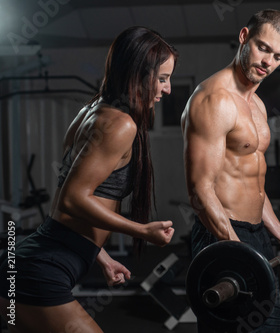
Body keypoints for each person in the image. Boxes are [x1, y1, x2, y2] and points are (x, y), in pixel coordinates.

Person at [0, 26, 177, 333]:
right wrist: (141, 230)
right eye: (162, 78)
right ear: (137, 74)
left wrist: (101, 256)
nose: (168, 88)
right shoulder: (121, 125)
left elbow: (66, 210)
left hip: (28, 264)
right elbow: (72, 198)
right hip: (40, 272)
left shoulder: (90, 111)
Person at [181, 9, 280, 333]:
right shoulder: (214, 100)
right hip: (220, 236)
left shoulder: (257, 104)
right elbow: (200, 190)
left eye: (278, 56)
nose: (269, 61)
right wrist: (236, 251)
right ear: (244, 38)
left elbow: (254, 184)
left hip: (255, 237)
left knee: (267, 327)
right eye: (263, 48)